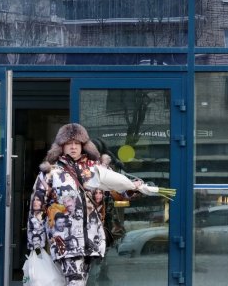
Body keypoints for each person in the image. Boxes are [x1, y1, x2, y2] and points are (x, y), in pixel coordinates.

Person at [27, 123, 145, 286]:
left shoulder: (96, 169)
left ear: (84, 145)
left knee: (79, 281)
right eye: (69, 143)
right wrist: (36, 239)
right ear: (61, 146)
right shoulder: (51, 172)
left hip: (91, 238)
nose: (73, 147)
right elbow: (36, 207)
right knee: (75, 282)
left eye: (77, 143)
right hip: (65, 239)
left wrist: (133, 188)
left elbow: (115, 190)